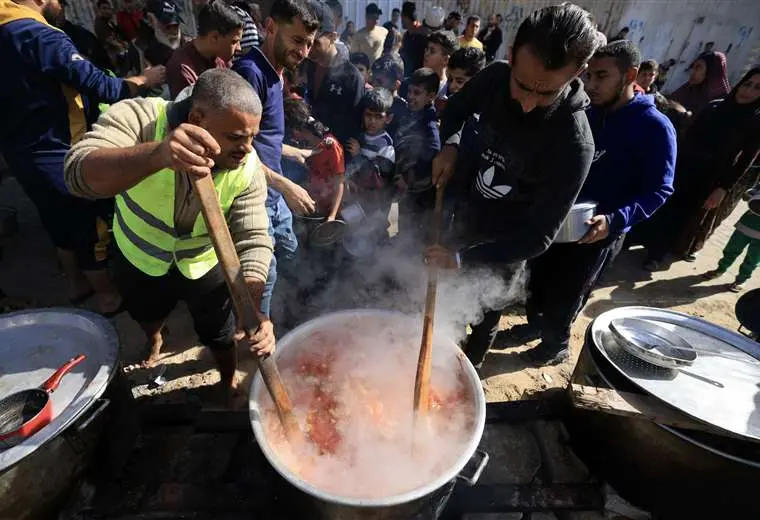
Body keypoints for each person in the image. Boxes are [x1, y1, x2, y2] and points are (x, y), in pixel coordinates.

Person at [64, 69, 275, 394]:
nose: (247, 149)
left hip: (204, 267)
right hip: (139, 258)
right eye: (235, 137)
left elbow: (254, 235)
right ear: (197, 118)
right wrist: (158, 154)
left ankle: (227, 381)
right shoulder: (140, 118)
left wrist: (252, 306)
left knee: (219, 333)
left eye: (252, 137)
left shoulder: (246, 164)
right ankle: (155, 340)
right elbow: (77, 173)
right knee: (147, 315)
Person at [425, 3, 604, 369]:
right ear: (510, 55)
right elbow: (456, 111)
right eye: (522, 85)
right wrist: (451, 145)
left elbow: (538, 236)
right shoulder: (493, 78)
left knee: (485, 315)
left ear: (577, 73)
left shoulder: (574, 145)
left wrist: (463, 258)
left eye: (545, 93)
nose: (526, 103)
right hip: (462, 216)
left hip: (503, 249)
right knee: (440, 303)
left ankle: (467, 371)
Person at [513, 40, 676, 365]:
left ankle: (555, 345)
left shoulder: (654, 128)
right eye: (588, 76)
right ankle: (533, 327)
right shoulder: (587, 113)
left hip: (599, 232)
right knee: (538, 279)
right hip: (559, 219)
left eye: (601, 77)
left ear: (630, 75)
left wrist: (615, 220)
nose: (590, 85)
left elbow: (660, 190)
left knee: (569, 292)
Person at [1, 0, 165, 315]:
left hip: (20, 152)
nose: (60, 4)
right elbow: (103, 87)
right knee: (92, 223)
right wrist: (145, 80)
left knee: (56, 219)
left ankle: (76, 285)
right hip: (60, 149)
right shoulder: (42, 37)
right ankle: (107, 298)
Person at [233, 0, 320, 318]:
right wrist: (286, 186)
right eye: (297, 40)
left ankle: (289, 310)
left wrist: (290, 151)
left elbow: (261, 137)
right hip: (253, 196)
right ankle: (257, 331)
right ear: (269, 27)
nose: (304, 51)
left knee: (291, 251)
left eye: (309, 43)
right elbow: (238, 150)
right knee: (263, 273)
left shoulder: (276, 73)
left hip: (273, 194)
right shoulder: (250, 74)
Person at [642, 68, 760, 270]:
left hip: (709, 178)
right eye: (747, 83)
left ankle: (657, 253)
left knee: (681, 215)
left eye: (757, 88)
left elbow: (744, 161)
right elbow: (689, 137)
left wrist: (723, 188)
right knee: (661, 203)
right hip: (684, 166)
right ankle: (642, 239)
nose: (748, 90)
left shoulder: (755, 122)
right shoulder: (715, 107)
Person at [303, 0, 364, 146]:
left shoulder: (351, 77)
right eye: (306, 42)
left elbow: (355, 128)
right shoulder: (307, 66)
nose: (308, 50)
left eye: (315, 43)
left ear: (332, 37)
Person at [394, 68, 440, 239]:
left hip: (417, 193)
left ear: (431, 96)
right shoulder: (412, 114)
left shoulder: (429, 125)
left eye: (417, 93)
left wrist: (409, 178)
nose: (411, 96)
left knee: (410, 233)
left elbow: (433, 151)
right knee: (398, 226)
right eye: (410, 91)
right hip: (404, 188)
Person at [345, 88, 397, 239]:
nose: (372, 121)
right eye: (368, 115)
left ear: (388, 118)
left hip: (373, 207)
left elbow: (378, 179)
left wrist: (358, 155)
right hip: (355, 198)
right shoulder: (360, 135)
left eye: (378, 117)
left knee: (366, 241)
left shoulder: (386, 146)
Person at [166, 1, 242, 98]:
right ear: (214, 37)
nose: (239, 48)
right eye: (234, 42)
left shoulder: (221, 59)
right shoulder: (183, 68)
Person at [284, 99, 345, 220]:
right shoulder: (300, 143)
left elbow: (339, 183)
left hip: (328, 207)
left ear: (296, 130)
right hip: (310, 202)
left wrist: (332, 216)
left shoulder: (330, 146)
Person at [703, 198, 760, 293]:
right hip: (746, 224)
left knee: (753, 258)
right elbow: (746, 196)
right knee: (731, 249)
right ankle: (720, 269)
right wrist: (751, 194)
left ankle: (741, 280)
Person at [55, 0, 113, 71]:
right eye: (56, 9)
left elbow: (100, 56)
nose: (59, 13)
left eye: (61, 7)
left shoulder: (80, 32)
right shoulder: (50, 37)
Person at [668, 51, 730, 116]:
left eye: (698, 67)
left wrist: (685, 114)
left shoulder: (721, 103)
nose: (692, 72)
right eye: (693, 67)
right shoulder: (688, 89)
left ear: (711, 71)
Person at [370, 53, 408, 139]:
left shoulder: (403, 114)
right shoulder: (369, 100)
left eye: (379, 82)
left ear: (396, 85)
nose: (374, 85)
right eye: (373, 80)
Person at [93, 0, 131, 74]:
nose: (107, 11)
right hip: (115, 56)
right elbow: (112, 42)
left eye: (108, 8)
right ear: (99, 9)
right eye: (104, 8)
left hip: (120, 53)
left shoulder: (108, 20)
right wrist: (125, 50)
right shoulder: (99, 24)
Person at [422, 29, 458, 98]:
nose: (426, 54)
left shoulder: (451, 92)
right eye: (427, 49)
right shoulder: (413, 82)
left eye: (432, 51)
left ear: (445, 60)